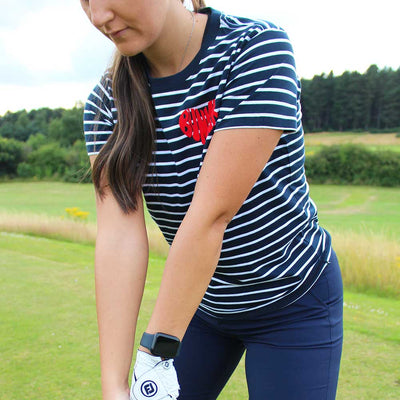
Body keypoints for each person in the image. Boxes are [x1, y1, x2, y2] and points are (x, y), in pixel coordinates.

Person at [80, 0, 343, 399]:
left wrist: (155, 357)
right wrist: (115, 386)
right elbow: (118, 237)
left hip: (293, 298)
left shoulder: (255, 48)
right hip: (200, 304)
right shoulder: (106, 103)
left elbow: (211, 215)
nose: (98, 17)